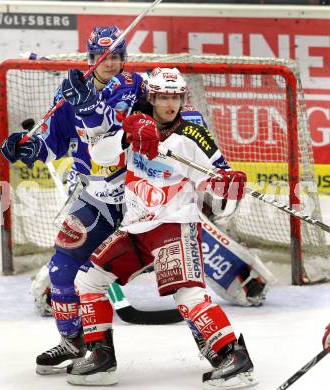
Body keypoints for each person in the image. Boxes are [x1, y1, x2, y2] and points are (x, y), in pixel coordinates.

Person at [66, 67, 257, 389]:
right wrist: (126, 135)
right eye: (164, 97)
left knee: (189, 294)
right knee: (88, 280)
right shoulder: (134, 121)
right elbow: (99, 153)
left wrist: (227, 186)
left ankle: (232, 358)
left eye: (176, 97)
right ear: (151, 97)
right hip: (136, 227)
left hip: (174, 225)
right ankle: (101, 358)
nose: (171, 104)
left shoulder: (193, 136)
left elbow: (216, 188)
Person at [0, 26, 141, 375]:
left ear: (124, 58)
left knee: (178, 283)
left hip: (141, 199)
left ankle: (221, 348)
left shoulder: (136, 87)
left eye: (116, 56)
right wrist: (30, 148)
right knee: (62, 269)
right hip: (96, 200)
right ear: (91, 59)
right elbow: (53, 139)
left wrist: (90, 105)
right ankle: (74, 342)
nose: (110, 63)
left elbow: (113, 137)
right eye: (102, 57)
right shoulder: (69, 92)